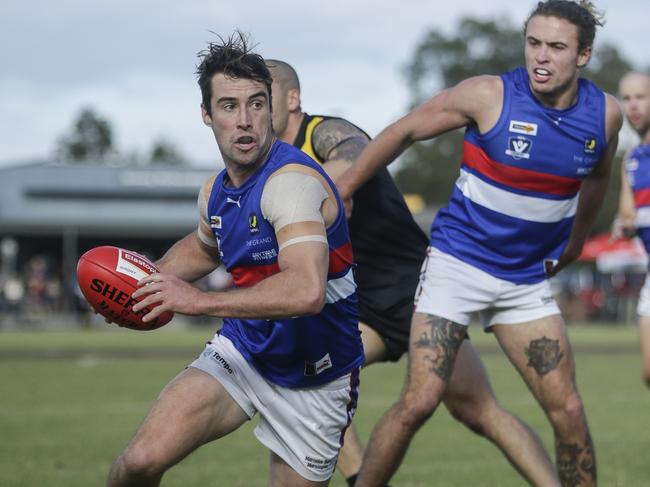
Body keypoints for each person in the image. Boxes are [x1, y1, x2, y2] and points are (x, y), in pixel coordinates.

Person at [336, 1, 623, 486]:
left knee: (569, 410)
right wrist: (343, 190)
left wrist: (575, 244)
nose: (541, 57)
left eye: (556, 47)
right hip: (457, 266)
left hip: (525, 280)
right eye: (534, 43)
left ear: (584, 56)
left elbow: (597, 177)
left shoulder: (605, 117)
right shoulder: (488, 95)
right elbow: (404, 130)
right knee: (419, 402)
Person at [267, 59, 559, 486]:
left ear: (292, 99)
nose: (251, 112)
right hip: (357, 309)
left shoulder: (324, 133)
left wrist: (315, 190)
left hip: (417, 292)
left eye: (262, 99)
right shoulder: (270, 165)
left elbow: (355, 153)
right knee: (300, 380)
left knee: (476, 408)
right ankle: (358, 478)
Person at [107, 32, 364, 487]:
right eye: (228, 106)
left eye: (257, 104)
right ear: (206, 115)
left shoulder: (292, 183)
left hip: (316, 378)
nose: (245, 121)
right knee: (138, 462)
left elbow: (307, 290)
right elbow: (205, 246)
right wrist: (138, 287)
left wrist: (197, 301)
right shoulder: (216, 191)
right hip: (243, 353)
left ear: (271, 109)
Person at [613, 71, 650, 389]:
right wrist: (623, 227)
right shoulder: (631, 160)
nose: (633, 106)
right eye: (627, 99)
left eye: (641, 97)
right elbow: (627, 215)